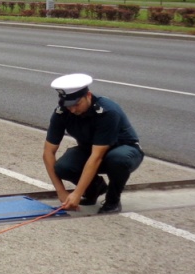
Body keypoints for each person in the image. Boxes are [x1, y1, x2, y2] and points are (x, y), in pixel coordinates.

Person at [42, 73, 144, 213]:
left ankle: (112, 201)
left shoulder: (107, 112)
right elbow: (48, 152)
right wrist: (61, 192)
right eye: (68, 106)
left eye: (76, 104)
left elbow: (97, 157)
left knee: (117, 160)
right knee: (63, 167)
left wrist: (77, 193)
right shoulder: (62, 113)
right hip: (91, 150)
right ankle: (94, 189)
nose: (72, 109)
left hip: (124, 150)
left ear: (88, 95)